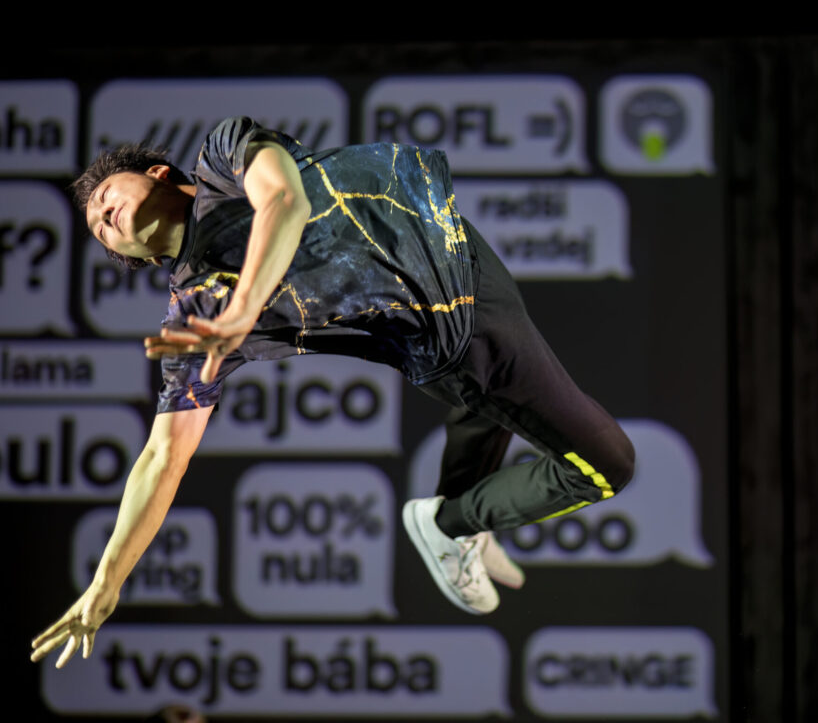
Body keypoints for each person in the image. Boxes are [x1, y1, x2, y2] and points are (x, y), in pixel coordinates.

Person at [30, 117, 634, 668]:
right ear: (126, 255)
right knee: (608, 464)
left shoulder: (223, 154)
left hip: (457, 243)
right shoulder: (195, 317)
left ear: (158, 174)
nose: (102, 218)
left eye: (105, 197)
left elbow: (284, 199)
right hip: (460, 337)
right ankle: (451, 524)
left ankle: (458, 520)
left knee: (483, 415)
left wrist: (242, 311)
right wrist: (106, 582)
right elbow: (163, 457)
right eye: (97, 229)